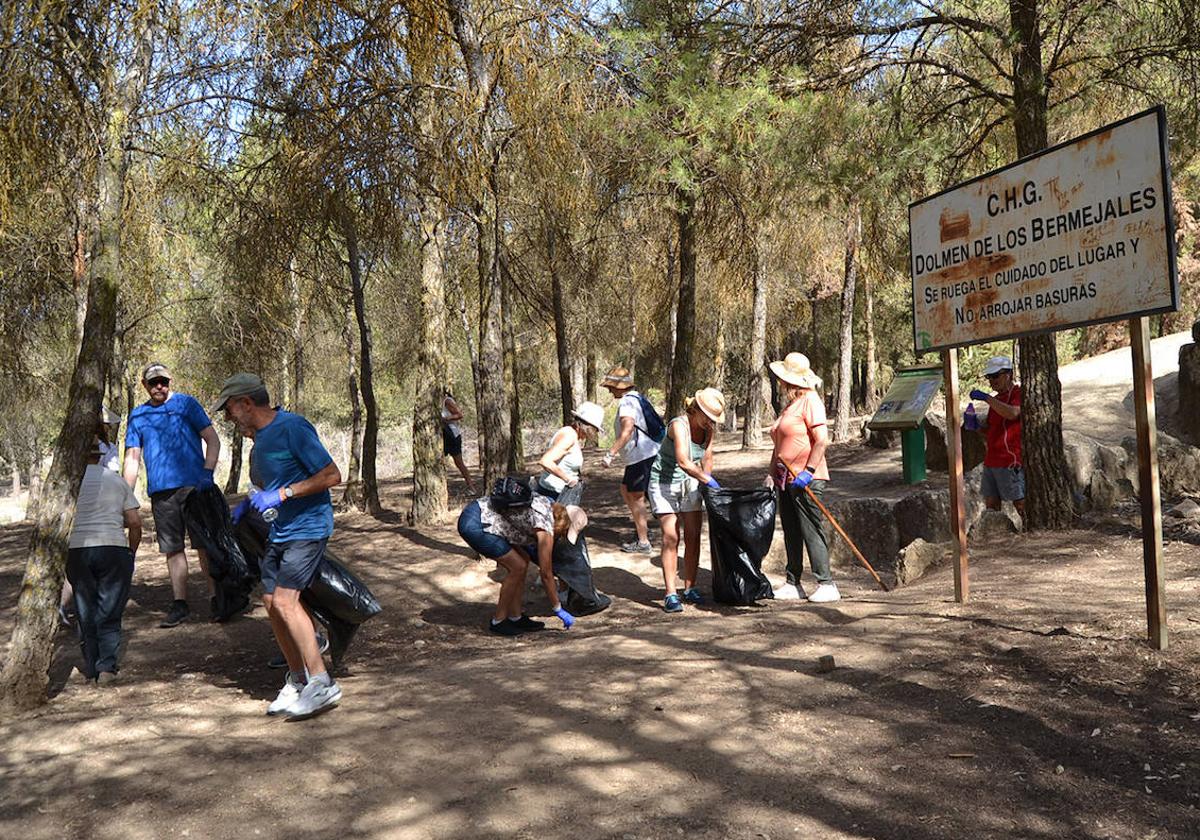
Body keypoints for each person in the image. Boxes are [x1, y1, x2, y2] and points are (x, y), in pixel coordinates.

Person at [216, 372, 344, 720]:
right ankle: (299, 680)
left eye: (229, 410)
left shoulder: (292, 427)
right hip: (281, 530)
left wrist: (284, 493)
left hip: (309, 526)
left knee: (287, 600)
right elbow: (270, 484)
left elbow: (332, 475)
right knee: (271, 601)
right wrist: (252, 502)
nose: (229, 419)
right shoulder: (260, 440)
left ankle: (322, 682)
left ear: (246, 403)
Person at [123, 363, 220, 628]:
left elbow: (212, 439)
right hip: (161, 493)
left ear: (170, 381)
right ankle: (180, 604)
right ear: (144, 385)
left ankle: (216, 598)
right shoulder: (138, 416)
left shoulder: (187, 405)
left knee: (204, 545)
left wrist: (207, 473)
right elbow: (132, 458)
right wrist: (123, 496)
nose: (159, 387)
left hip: (194, 488)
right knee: (172, 549)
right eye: (153, 383)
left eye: (163, 381)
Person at [457, 477, 579, 637]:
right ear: (559, 529)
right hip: (476, 524)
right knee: (517, 567)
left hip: (478, 513)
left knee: (523, 560)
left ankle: (515, 617)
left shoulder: (547, 503)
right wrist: (558, 608)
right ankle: (498, 622)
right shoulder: (545, 527)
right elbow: (546, 574)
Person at [66, 440, 142, 684]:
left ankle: (90, 665)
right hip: (113, 548)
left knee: (85, 608)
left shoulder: (68, 483)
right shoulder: (115, 480)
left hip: (77, 550)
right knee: (110, 609)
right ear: (99, 456)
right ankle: (107, 667)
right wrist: (131, 551)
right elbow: (134, 522)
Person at [766, 352, 839, 604]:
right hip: (785, 478)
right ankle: (792, 581)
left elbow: (821, 440)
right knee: (791, 530)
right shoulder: (791, 404)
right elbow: (779, 444)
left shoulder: (810, 400)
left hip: (807, 477)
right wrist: (771, 474)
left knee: (811, 529)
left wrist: (808, 471)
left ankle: (826, 583)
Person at [647, 388, 724, 613]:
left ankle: (690, 587)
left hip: (690, 481)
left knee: (693, 535)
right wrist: (707, 480)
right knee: (671, 536)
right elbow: (683, 460)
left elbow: (707, 457)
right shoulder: (678, 426)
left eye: (713, 419)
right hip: (663, 482)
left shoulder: (708, 430)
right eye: (708, 417)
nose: (711, 423)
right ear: (696, 410)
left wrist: (705, 482)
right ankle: (671, 593)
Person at [61, 406, 125, 626]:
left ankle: (76, 609)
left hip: (89, 503)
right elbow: (113, 474)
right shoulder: (107, 448)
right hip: (98, 505)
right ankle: (80, 610)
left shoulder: (80, 447)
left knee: (79, 558)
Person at [599, 367, 660, 553]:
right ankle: (642, 530)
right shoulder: (637, 398)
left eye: (611, 387)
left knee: (636, 496)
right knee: (626, 489)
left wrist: (610, 454)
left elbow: (627, 430)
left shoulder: (627, 403)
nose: (609, 390)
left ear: (620, 387)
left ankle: (643, 542)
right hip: (644, 454)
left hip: (641, 455)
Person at [965, 355, 1024, 517]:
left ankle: (1031, 533)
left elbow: (1013, 413)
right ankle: (996, 535)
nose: (992, 380)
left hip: (1010, 460)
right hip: (992, 461)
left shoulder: (1018, 392)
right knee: (991, 504)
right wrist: (975, 426)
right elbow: (992, 430)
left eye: (995, 376)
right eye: (989, 377)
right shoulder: (996, 400)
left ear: (1008, 374)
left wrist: (986, 398)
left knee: (1020, 502)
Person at [536, 401, 604, 502]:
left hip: (561, 493)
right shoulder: (569, 436)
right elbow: (545, 461)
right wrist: (567, 479)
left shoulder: (571, 434)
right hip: (553, 494)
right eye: (593, 430)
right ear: (584, 426)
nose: (592, 434)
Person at [441, 389, 478, 495]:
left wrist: (445, 419)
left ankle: (471, 487)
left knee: (459, 462)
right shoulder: (438, 403)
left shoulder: (447, 401)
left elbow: (459, 415)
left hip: (452, 435)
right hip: (444, 435)